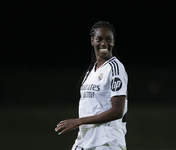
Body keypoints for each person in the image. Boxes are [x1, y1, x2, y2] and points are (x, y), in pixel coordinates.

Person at [55, 21, 128, 150]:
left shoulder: (115, 68)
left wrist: (79, 121)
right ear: (92, 41)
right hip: (85, 141)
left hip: (106, 142)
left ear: (113, 41)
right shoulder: (91, 71)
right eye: (99, 39)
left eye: (108, 39)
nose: (104, 43)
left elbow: (118, 110)